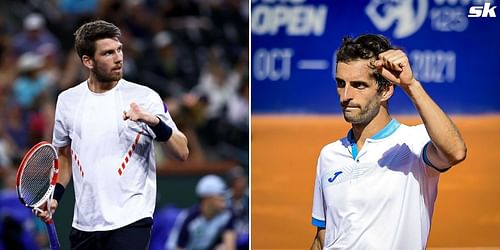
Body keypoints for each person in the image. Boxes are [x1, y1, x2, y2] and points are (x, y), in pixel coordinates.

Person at [35, 20, 189, 249]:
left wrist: (154, 122)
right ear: (88, 61)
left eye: (119, 50)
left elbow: (182, 151)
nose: (118, 58)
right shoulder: (66, 101)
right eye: (108, 53)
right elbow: (64, 156)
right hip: (84, 225)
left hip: (131, 221)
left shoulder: (145, 97)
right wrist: (55, 195)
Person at [310, 34, 466, 249]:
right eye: (340, 83)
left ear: (385, 90)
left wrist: (410, 85)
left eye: (359, 85)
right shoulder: (329, 155)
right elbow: (322, 237)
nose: (345, 96)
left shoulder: (413, 144)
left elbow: (456, 152)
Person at [173, 175, 236, 250]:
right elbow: (179, 247)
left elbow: (230, 247)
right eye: (220, 195)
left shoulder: (227, 215)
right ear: (207, 198)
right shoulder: (189, 219)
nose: (224, 198)